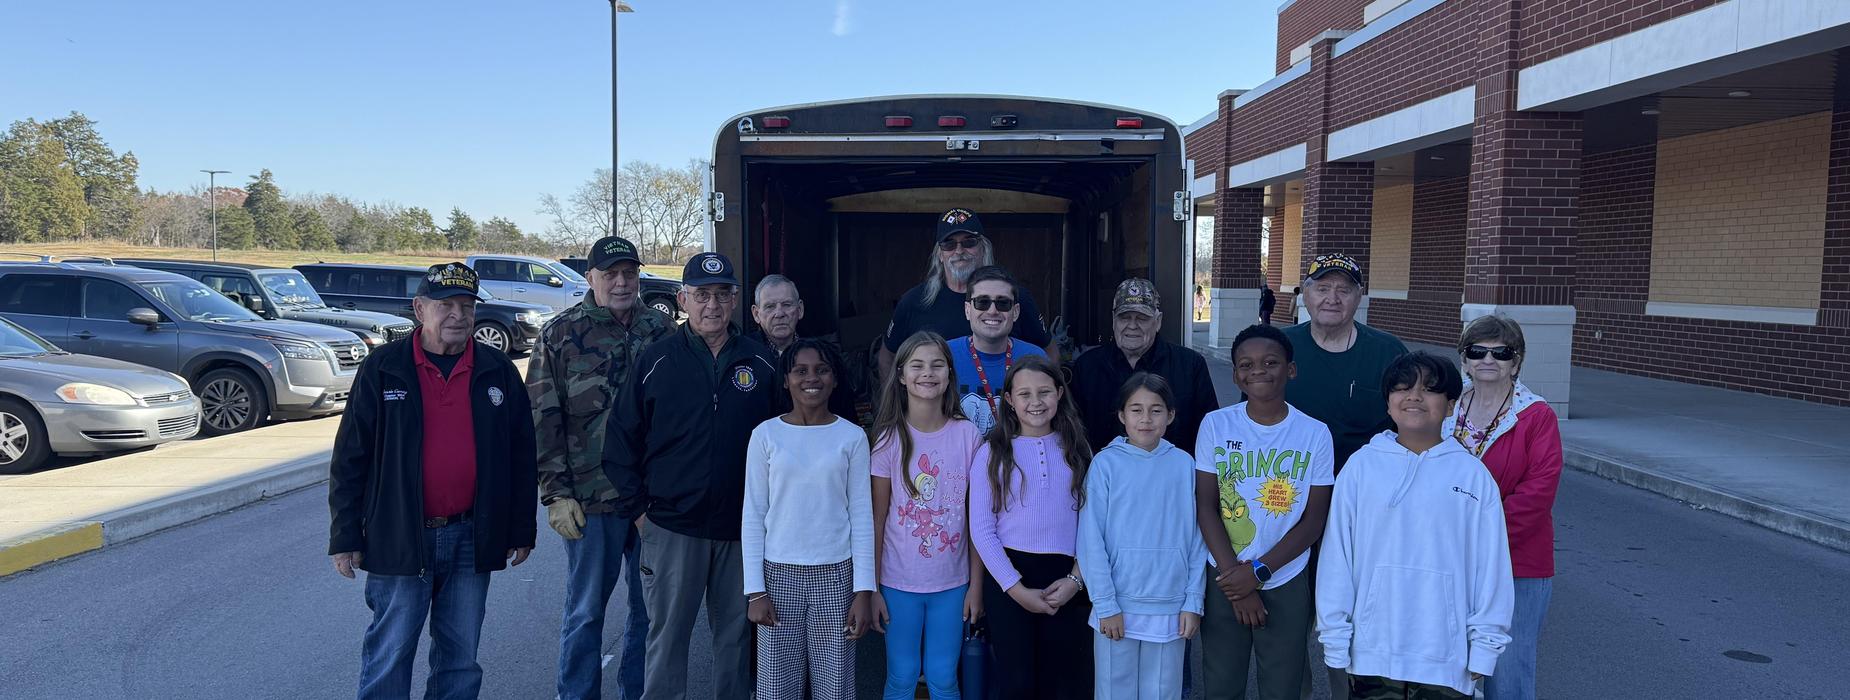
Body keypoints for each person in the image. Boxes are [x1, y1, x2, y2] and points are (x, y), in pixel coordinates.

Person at [327, 262, 537, 699]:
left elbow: (521, 455)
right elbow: (351, 457)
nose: (458, 315)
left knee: (460, 660)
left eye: (466, 305)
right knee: (390, 653)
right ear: (420, 309)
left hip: (471, 536)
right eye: (446, 305)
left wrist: (521, 528)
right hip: (400, 536)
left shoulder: (497, 371)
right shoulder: (383, 369)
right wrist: (345, 533)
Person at [602, 251, 780, 700]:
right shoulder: (657, 360)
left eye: (722, 295)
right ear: (683, 298)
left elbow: (785, 446)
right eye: (702, 295)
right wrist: (640, 512)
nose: (712, 306)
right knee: (666, 642)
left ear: (736, 300)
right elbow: (620, 440)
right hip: (671, 528)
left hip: (741, 532)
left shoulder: (761, 364)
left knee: (735, 643)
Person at [1316, 352, 1513, 700]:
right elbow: (1337, 559)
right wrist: (1335, 635)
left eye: (1430, 390)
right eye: (1402, 388)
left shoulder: (1473, 476)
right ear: (1388, 404)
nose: (1414, 397)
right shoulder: (1361, 468)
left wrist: (1485, 645)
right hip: (1372, 652)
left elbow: (1492, 568)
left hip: (1446, 658)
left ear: (1451, 405)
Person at [527, 236, 671, 700]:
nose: (622, 282)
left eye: (629, 273)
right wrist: (555, 491)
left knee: (649, 612)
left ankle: (637, 691)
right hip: (593, 500)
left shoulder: (662, 330)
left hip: (653, 501)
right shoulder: (560, 334)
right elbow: (542, 416)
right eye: (610, 274)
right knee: (586, 611)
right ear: (590, 278)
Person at [1193, 325, 1334, 700]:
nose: (1258, 370)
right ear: (1236, 373)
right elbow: (1205, 505)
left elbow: (1315, 519)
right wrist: (1235, 578)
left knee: (1283, 684)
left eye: (1271, 362)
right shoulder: (1216, 424)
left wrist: (1259, 571)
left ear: (1290, 369)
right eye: (1247, 364)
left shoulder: (1315, 433)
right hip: (1223, 570)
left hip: (1285, 573)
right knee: (1221, 681)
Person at [742, 339, 876, 700]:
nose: (811, 378)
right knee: (776, 686)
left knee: (835, 685)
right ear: (786, 380)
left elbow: (862, 516)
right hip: (778, 574)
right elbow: (753, 515)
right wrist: (755, 591)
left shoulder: (852, 437)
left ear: (834, 379)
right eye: (800, 371)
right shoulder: (765, 436)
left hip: (836, 573)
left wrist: (864, 590)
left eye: (821, 370)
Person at [1439, 316, 1561, 700]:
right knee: (1450, 666)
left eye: (1501, 352)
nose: (1487, 359)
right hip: (1447, 558)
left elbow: (1538, 493)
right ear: (1464, 358)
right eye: (1477, 351)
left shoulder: (1536, 416)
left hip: (1517, 563)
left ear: (1517, 360)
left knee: (1507, 672)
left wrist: (1480, 542)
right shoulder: (1443, 405)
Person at [966, 355, 1094, 699]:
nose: (1035, 402)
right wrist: (1016, 589)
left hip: (1066, 577)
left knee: (1065, 682)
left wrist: (1075, 579)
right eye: (1024, 394)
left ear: (1059, 393)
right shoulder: (992, 452)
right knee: (1017, 682)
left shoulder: (1078, 450)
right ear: (1009, 399)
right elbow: (981, 528)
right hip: (1009, 576)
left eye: (1044, 392)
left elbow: (1093, 524)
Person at [867, 331, 985, 700]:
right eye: (917, 365)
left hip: (953, 584)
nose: (928, 373)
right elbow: (878, 517)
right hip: (898, 583)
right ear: (901, 375)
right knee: (901, 677)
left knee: (944, 678)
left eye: (937, 365)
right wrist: (871, 588)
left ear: (950, 374)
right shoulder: (888, 439)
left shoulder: (968, 436)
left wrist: (976, 586)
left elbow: (977, 519)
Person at [1078, 373, 1207, 699]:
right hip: (1117, 605)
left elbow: (1196, 539)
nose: (1146, 419)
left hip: (1170, 605)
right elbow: (1091, 540)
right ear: (1122, 416)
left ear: (1171, 415)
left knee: (1162, 692)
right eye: (1136, 410)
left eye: (1156, 410)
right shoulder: (1105, 465)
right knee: (1114, 691)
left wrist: (1193, 601)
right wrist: (1105, 604)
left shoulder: (1184, 464)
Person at [879, 208, 1055, 384]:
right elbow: (888, 357)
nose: (959, 250)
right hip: (939, 409)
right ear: (939, 254)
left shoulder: (1013, 297)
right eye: (949, 244)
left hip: (1006, 407)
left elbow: (1049, 352)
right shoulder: (913, 301)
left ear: (983, 248)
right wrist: (898, 406)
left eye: (969, 242)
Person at [1282, 253, 1409, 471]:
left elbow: (1410, 423)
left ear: (1359, 296)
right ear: (1305, 294)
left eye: (1344, 290)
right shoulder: (1278, 347)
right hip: (1288, 483)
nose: (1332, 298)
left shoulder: (1388, 352)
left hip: (1365, 485)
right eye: (1322, 288)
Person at [1072, 278, 1220, 455]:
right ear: (1113, 320)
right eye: (1124, 317)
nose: (1132, 325)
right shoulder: (1087, 367)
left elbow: (1210, 433)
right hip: (1103, 479)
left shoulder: (1190, 366)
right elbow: (1073, 431)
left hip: (1172, 478)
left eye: (1142, 318)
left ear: (1158, 321)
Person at [946, 265, 1048, 436]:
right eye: (982, 302)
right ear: (967, 310)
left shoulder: (1036, 358)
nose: (992, 311)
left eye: (1003, 303)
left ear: (1015, 312)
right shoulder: (943, 354)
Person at [749, 273, 859, 423]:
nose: (779, 313)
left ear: (800, 309)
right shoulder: (745, 355)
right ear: (756, 314)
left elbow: (844, 413)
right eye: (770, 306)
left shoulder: (824, 354)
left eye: (787, 305)